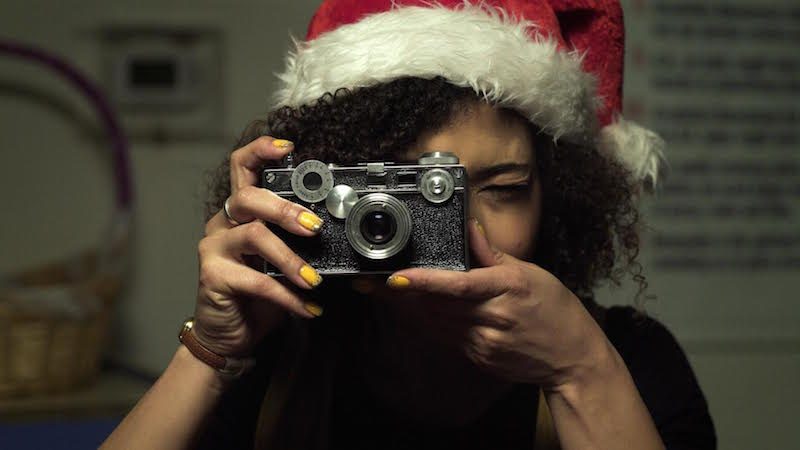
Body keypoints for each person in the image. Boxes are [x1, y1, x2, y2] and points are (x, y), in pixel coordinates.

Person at [102, 1, 716, 449]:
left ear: (556, 199)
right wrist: (209, 356)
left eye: (502, 190)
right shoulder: (278, 366)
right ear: (334, 192)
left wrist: (581, 371)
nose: (459, 228)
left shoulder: (627, 359)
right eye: (403, 198)